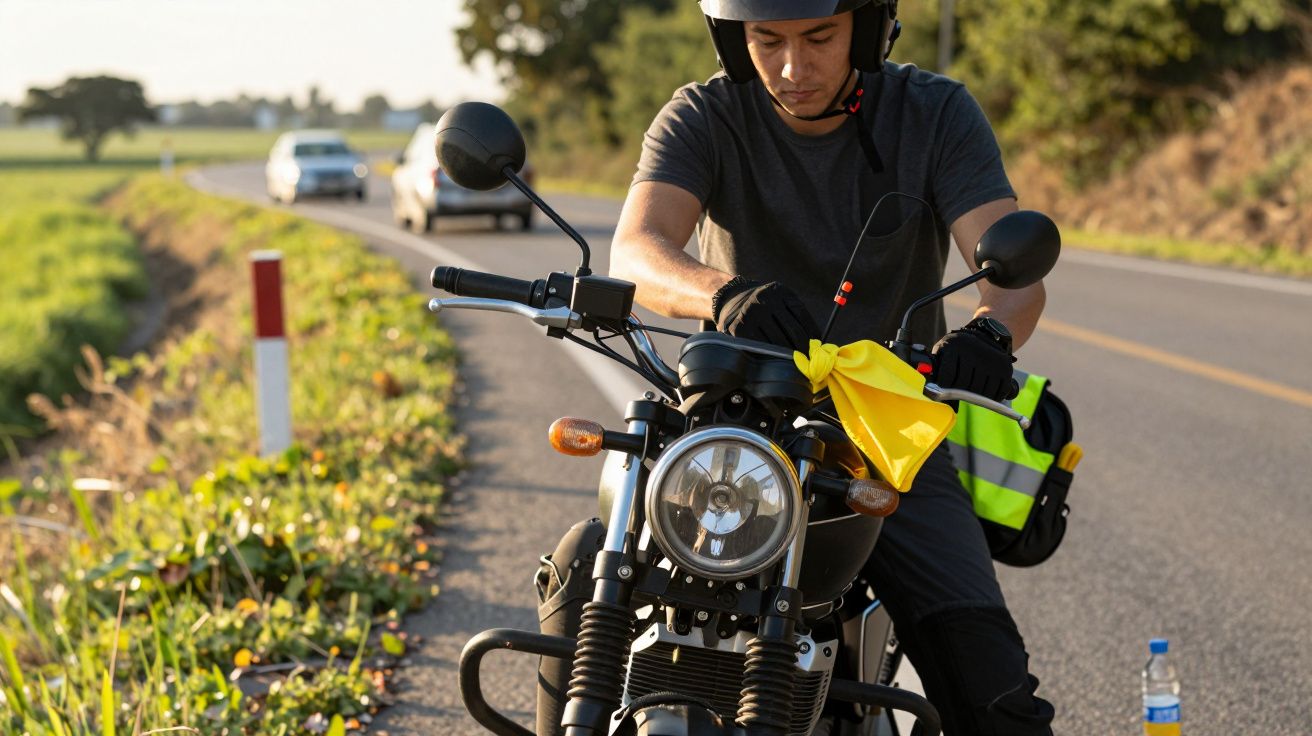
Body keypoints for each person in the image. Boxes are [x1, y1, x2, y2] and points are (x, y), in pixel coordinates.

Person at [537, 1, 1055, 734]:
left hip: (881, 436)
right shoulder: (704, 115)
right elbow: (639, 247)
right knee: (590, 567)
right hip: (730, 418)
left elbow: (1014, 277)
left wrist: (992, 335)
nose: (791, 66)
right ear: (732, 38)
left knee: (990, 690)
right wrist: (721, 292)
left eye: (818, 37)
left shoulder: (935, 113)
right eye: (766, 40)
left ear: (869, 30)